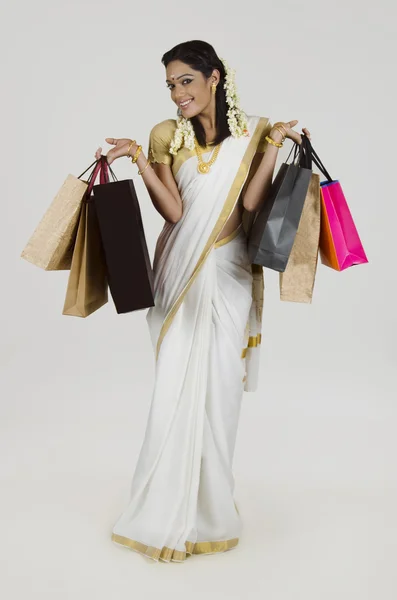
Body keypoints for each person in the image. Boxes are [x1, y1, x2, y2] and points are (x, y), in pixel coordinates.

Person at [94, 40, 311, 563]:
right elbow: (172, 212)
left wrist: (276, 146)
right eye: (170, 84)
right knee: (173, 388)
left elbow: (254, 202)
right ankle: (159, 510)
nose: (177, 93)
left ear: (215, 77)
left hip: (231, 271)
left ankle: (210, 513)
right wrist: (142, 161)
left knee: (219, 394)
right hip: (181, 273)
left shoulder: (254, 131)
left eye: (185, 80)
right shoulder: (166, 134)